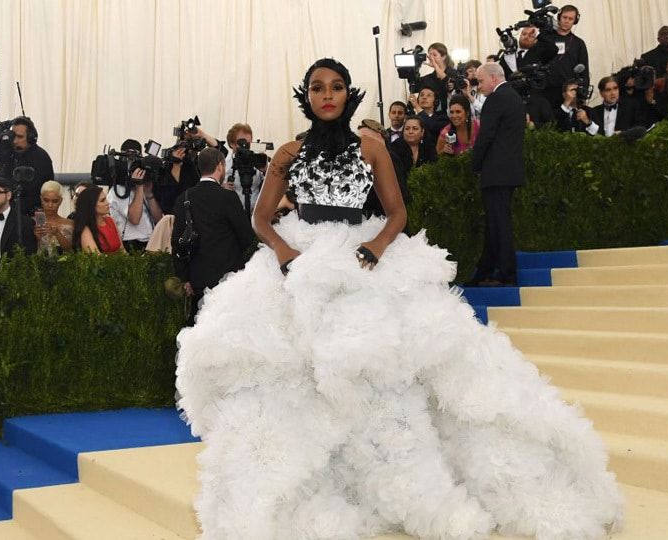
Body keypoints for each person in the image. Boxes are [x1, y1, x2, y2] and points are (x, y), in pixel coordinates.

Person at [175, 57, 623, 540]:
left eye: (337, 86)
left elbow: (397, 213)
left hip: (364, 256)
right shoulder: (288, 152)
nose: (328, 95)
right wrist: (285, 253)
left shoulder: (372, 148)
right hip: (302, 257)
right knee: (293, 370)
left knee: (392, 366)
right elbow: (261, 219)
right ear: (306, 96)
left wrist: (378, 246)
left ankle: (409, 479)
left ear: (349, 94)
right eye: (318, 87)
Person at [171, 147, 254, 324]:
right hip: (230, 279)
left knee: (201, 330)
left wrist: (185, 278)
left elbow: (177, 244)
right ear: (220, 166)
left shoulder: (183, 198)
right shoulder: (228, 198)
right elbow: (247, 238)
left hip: (198, 278)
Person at [471, 62, 526, 287]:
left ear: (494, 78)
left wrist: (475, 164)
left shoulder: (496, 99)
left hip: (496, 172)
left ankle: (506, 274)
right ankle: (486, 270)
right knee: (496, 224)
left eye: (481, 81)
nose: (479, 86)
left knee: (499, 224)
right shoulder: (514, 97)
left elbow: (485, 137)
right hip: (508, 171)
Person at [0, 116, 54, 215]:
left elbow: (23, 191)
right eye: (13, 136)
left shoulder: (40, 157)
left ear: (31, 138)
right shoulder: (11, 155)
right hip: (9, 214)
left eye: (20, 137)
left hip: (33, 217)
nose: (14, 141)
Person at [544, 4, 589, 108]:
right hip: (546, 91)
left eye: (570, 19)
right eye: (564, 17)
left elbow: (584, 71)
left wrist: (582, 97)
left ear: (575, 21)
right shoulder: (546, 38)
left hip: (568, 93)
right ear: (559, 17)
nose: (567, 21)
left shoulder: (579, 43)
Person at [223, 123, 266, 214]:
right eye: (242, 143)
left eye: (248, 143)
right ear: (232, 144)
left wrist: (266, 170)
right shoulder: (224, 165)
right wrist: (221, 187)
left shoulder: (257, 159)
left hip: (256, 214)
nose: (245, 147)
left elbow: (272, 183)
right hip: (233, 215)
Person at [71, 185, 123, 254]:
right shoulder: (85, 229)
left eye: (106, 199)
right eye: (102, 200)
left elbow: (122, 250)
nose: (107, 203)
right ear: (91, 205)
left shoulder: (110, 220)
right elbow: (97, 259)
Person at [33, 180, 74, 254]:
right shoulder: (31, 223)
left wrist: (57, 233)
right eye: (46, 200)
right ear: (41, 199)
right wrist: (35, 238)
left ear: (60, 201)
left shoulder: (70, 224)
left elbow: (72, 251)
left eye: (55, 201)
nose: (50, 205)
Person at [419, 42, 454, 112]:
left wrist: (436, 66)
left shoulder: (454, 74)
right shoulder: (427, 78)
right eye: (430, 55)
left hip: (450, 113)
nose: (431, 58)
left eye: (434, 55)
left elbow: (447, 81)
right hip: (432, 115)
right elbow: (415, 87)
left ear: (443, 57)